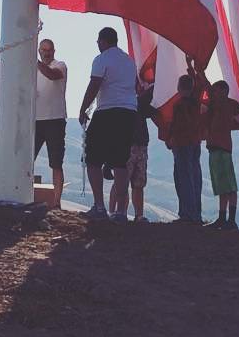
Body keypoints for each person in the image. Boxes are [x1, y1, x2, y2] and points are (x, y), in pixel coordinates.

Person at [78, 27, 138, 224]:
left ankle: (100, 206)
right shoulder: (129, 61)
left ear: (103, 41)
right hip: (128, 112)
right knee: (120, 162)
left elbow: (94, 84)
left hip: (108, 111)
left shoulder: (102, 59)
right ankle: (121, 212)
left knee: (93, 158)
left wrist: (83, 108)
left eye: (98, 40)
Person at [108, 81, 155, 222]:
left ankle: (137, 215)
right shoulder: (130, 101)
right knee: (121, 181)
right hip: (128, 145)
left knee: (138, 183)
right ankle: (115, 212)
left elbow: (151, 108)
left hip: (140, 145)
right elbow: (151, 95)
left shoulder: (136, 102)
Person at [202, 80, 239, 229]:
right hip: (217, 148)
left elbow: (207, 87)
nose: (212, 93)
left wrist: (197, 71)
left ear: (222, 92)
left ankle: (230, 220)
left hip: (221, 148)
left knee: (228, 185)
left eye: (215, 91)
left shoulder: (223, 105)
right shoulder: (222, 107)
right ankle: (223, 218)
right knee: (222, 185)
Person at [166, 74, 205, 223]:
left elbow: (175, 124)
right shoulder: (196, 103)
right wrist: (191, 65)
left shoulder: (180, 105)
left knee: (183, 178)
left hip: (182, 143)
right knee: (195, 176)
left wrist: (169, 138)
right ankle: (196, 214)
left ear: (179, 88)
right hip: (195, 142)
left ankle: (187, 214)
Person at [34, 38, 67, 209]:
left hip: (55, 119)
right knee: (26, 159)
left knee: (56, 162)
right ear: (39, 51)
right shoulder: (33, 69)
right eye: (43, 50)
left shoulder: (60, 65)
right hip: (35, 120)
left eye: (49, 50)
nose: (46, 53)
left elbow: (52, 75)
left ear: (53, 51)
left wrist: (34, 61)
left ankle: (56, 201)